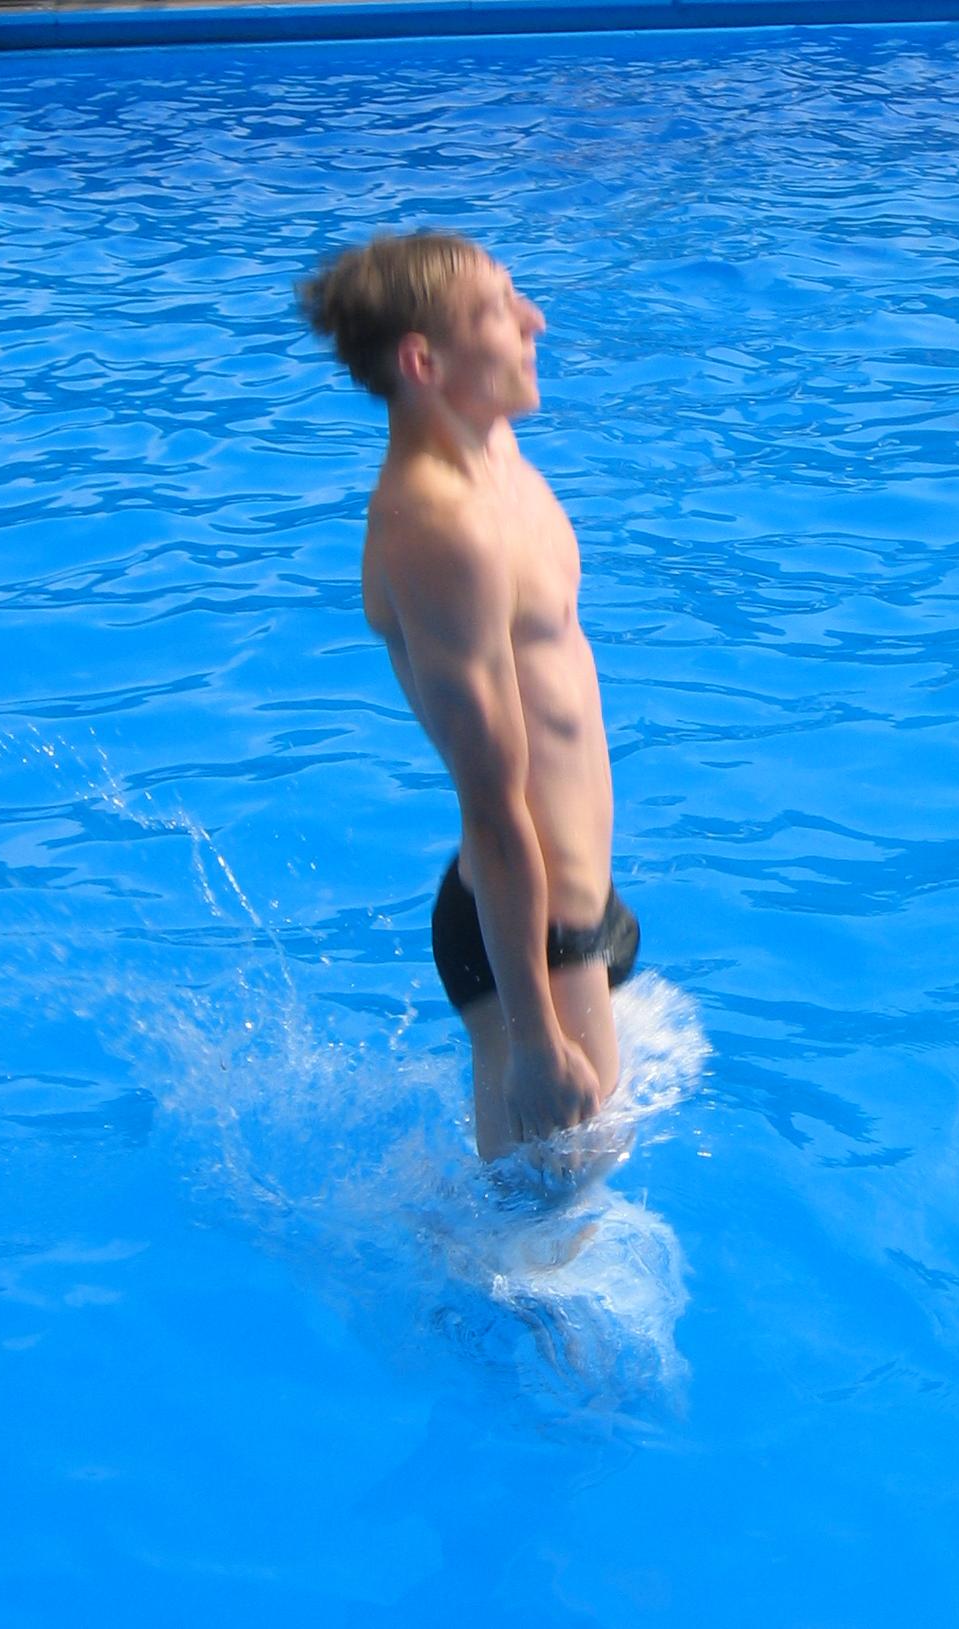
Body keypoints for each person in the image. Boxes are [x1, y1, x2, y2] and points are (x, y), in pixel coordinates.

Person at [297, 231, 637, 1162]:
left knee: (570, 1195)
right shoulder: (442, 530)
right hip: (528, 942)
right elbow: (492, 801)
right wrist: (533, 1040)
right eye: (499, 311)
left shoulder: (492, 449)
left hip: (576, 904)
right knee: (544, 1228)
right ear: (424, 363)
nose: (536, 320)